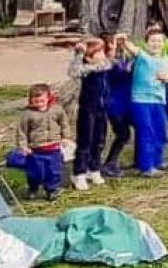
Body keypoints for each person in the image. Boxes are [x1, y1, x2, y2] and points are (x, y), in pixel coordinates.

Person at [119, 28, 168, 178]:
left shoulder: (165, 58)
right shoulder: (142, 56)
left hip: (158, 100)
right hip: (142, 101)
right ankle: (146, 166)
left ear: (164, 43)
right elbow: (133, 49)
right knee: (146, 132)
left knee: (160, 131)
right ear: (147, 43)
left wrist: (165, 79)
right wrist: (124, 41)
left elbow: (167, 78)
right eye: (153, 41)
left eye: (159, 41)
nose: (156, 44)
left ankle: (158, 161)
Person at [67, 38, 110, 191]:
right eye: (98, 52)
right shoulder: (85, 70)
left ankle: (94, 169)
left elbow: (110, 62)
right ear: (89, 56)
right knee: (85, 141)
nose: (102, 55)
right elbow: (73, 71)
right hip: (87, 109)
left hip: (102, 109)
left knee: (99, 140)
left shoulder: (106, 66)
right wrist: (79, 53)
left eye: (103, 51)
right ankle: (79, 173)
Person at [16, 84, 71, 201]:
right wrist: (23, 147)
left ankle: (52, 190)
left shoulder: (56, 110)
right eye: (35, 101)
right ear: (30, 100)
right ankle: (33, 188)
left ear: (48, 98)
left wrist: (66, 137)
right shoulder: (27, 115)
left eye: (42, 100)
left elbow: (64, 124)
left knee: (54, 171)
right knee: (36, 172)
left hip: (53, 148)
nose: (39, 103)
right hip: (36, 149)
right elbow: (21, 132)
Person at [101, 34, 132, 179]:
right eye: (113, 44)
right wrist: (128, 68)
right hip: (115, 106)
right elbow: (121, 73)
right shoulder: (108, 65)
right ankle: (109, 164)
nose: (115, 46)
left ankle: (111, 163)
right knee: (123, 135)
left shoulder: (112, 62)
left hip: (122, 104)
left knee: (125, 134)